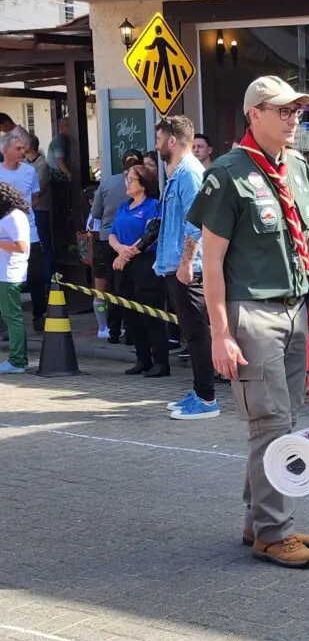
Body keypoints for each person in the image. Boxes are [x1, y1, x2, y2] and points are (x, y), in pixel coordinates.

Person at [188, 76, 309, 570]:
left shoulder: (299, 169)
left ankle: (258, 521)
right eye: (283, 110)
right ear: (254, 115)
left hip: (296, 307)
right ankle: (274, 532)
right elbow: (213, 261)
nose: (293, 119)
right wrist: (220, 333)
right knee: (271, 425)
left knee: (283, 423)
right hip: (254, 312)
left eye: (296, 112)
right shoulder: (227, 174)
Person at [153, 115, 219, 421]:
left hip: (187, 268)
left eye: (158, 139)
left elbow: (197, 222)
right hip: (175, 265)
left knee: (196, 333)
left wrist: (186, 263)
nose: (156, 146)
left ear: (171, 140)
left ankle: (206, 399)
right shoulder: (180, 173)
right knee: (191, 333)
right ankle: (199, 391)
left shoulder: (189, 173)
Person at [109, 164, 169, 377]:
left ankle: (161, 361)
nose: (128, 183)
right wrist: (119, 250)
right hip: (123, 263)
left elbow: (149, 234)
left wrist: (127, 254)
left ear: (143, 184)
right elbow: (112, 233)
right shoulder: (124, 206)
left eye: (132, 180)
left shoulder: (152, 206)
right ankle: (142, 359)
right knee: (130, 313)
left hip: (145, 262)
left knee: (150, 313)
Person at [90, 148, 142, 342]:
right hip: (134, 241)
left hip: (107, 240)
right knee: (132, 287)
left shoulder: (107, 183)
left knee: (112, 287)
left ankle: (112, 331)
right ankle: (130, 331)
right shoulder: (143, 184)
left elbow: (96, 212)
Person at [0, 127, 46, 331]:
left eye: (23, 148)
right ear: (6, 150)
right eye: (18, 148)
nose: (22, 152)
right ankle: (5, 321)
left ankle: (39, 315)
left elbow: (35, 196)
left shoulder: (30, 171)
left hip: (30, 232)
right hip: (3, 235)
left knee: (36, 275)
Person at [0, 181, 31, 374]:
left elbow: (22, 247)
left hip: (10, 274)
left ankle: (18, 360)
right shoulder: (9, 216)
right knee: (10, 316)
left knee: (12, 317)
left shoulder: (14, 217)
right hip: (5, 273)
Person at [25, 133, 52, 290]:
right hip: (26, 210)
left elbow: (40, 188)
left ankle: (47, 280)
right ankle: (30, 280)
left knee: (42, 244)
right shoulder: (22, 163)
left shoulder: (42, 164)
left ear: (29, 146)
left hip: (39, 209)